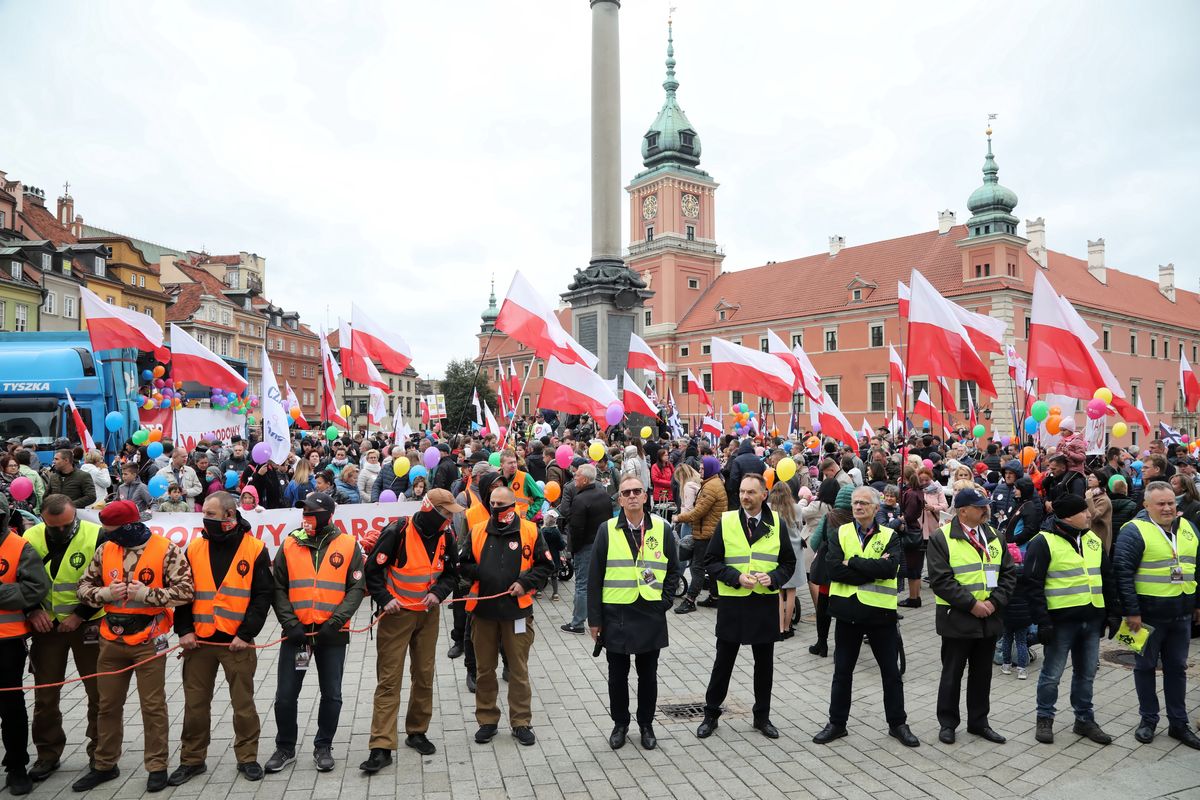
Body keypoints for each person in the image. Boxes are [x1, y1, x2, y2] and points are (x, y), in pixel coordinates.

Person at [73, 499, 194, 793]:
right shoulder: (105, 550)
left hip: (148, 640)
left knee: (152, 706)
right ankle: (104, 764)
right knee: (107, 705)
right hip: (111, 640)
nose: (108, 536)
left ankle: (156, 766)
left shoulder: (166, 549)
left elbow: (186, 591)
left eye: (112, 531)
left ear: (129, 527)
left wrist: (147, 595)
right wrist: (102, 592)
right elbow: (83, 587)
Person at [169, 491, 273, 786]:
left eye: (211, 515)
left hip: (236, 643)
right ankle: (191, 759)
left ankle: (247, 757)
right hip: (199, 642)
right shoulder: (194, 548)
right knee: (195, 704)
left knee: (243, 705)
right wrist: (184, 630)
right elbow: (183, 594)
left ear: (230, 515)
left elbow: (262, 596)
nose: (206, 521)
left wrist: (246, 634)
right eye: (205, 515)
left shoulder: (255, 548)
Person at [359, 489, 462, 772]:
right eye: (447, 513)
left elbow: (453, 573)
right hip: (397, 615)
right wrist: (385, 599)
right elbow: (372, 569)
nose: (451, 519)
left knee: (424, 674)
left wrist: (438, 593)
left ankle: (417, 731)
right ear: (431, 511)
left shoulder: (447, 537)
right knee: (389, 680)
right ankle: (381, 746)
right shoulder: (398, 531)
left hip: (428, 614)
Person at [266, 493, 367, 775]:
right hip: (297, 634)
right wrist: (289, 624)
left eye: (311, 512)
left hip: (331, 635)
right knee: (286, 695)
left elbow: (356, 588)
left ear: (327, 515)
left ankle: (324, 746)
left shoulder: (348, 545)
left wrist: (334, 623)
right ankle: (285, 747)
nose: (306, 517)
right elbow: (278, 587)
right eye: (304, 512)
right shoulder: (289, 543)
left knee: (332, 694)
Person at [814, 486, 917, 748]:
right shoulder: (840, 533)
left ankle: (898, 724)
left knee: (891, 673)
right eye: (855, 503)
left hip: (880, 614)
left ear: (875, 507)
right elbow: (835, 569)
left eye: (863, 503)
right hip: (847, 613)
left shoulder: (890, 535)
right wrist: (872, 568)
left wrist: (854, 563)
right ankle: (837, 724)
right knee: (842, 672)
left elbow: (890, 568)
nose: (858, 507)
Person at [695, 473, 796, 741]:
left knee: (764, 665)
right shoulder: (727, 520)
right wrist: (735, 578)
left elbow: (788, 563)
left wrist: (773, 578)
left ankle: (762, 716)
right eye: (741, 492)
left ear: (764, 494)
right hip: (733, 603)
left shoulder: (776, 522)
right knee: (723, 663)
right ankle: (711, 714)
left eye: (751, 492)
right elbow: (712, 561)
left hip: (763, 604)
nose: (745, 497)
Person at [589, 474, 680, 750]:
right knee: (617, 676)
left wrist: (664, 601)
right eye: (626, 492)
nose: (631, 496)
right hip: (615, 613)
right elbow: (595, 577)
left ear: (645, 496)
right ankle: (620, 724)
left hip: (650, 613)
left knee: (648, 675)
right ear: (619, 499)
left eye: (636, 491)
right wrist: (594, 620)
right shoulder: (606, 530)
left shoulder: (662, 529)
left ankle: (646, 724)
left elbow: (674, 570)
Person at [458, 485, 553, 747]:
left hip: (517, 613)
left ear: (513, 505)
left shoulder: (531, 531)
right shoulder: (478, 530)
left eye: (502, 503)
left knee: (518, 671)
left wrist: (525, 582)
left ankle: (521, 722)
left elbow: (546, 566)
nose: (496, 508)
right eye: (493, 503)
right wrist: (482, 574)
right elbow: (462, 563)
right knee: (485, 670)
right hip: (483, 613)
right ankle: (487, 721)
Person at [1023, 493, 1120, 746]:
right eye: (1084, 511)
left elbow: (1107, 578)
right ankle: (1045, 717)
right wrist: (1042, 621)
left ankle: (1084, 719)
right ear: (1068, 516)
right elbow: (1032, 585)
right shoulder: (1042, 542)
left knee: (1086, 673)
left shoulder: (1092, 540)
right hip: (1060, 622)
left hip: (1092, 619)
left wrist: (1112, 613)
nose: (1089, 515)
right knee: (1051, 675)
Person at [1112, 480, 1200, 749]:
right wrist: (1131, 612)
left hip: (1181, 614)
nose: (1167, 508)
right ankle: (1148, 720)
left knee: (1177, 669)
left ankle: (1178, 723)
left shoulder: (1188, 527)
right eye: (1160, 503)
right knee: (1145, 667)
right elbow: (1122, 573)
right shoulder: (1134, 530)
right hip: (1147, 617)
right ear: (1146, 505)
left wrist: (1197, 604)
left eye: (1171, 502)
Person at [22, 494, 102, 784]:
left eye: (66, 525)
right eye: (53, 526)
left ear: (75, 517)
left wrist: (79, 614)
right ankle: (47, 754)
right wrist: (31, 611)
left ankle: (101, 755)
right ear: (42, 517)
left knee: (99, 693)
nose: (60, 531)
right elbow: (19, 580)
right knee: (45, 695)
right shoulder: (29, 537)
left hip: (88, 623)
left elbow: (105, 579)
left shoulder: (96, 534)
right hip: (45, 629)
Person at [926, 488, 1016, 744]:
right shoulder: (941, 538)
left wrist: (993, 603)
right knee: (952, 673)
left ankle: (979, 722)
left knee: (982, 674)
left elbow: (1008, 574)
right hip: (957, 617)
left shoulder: (995, 536)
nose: (985, 509)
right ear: (963, 511)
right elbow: (941, 580)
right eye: (979, 506)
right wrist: (972, 604)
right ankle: (948, 723)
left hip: (989, 617)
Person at [0, 496, 50, 795]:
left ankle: (17, 765)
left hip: (7, 641)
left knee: (10, 705)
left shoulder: (19, 547)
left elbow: (34, 589)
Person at [562, 464, 613, 634]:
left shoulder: (580, 499)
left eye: (576, 476)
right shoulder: (603, 495)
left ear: (584, 479)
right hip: (602, 544)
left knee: (582, 585)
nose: (574, 478)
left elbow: (576, 529)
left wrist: (574, 550)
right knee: (600, 583)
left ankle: (577, 623)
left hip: (585, 547)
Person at [674, 456, 727, 614]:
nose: (700, 470)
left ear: (711, 469)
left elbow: (698, 512)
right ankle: (715, 597)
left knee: (697, 568)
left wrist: (678, 517)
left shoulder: (711, 487)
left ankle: (690, 600)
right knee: (710, 568)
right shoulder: (713, 483)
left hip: (706, 534)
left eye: (703, 468)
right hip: (711, 532)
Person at [768, 482, 805, 639]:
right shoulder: (795, 508)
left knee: (778, 589)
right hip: (794, 550)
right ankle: (787, 626)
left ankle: (778, 627)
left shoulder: (769, 508)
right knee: (791, 590)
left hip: (776, 550)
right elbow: (800, 527)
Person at [498, 449, 545, 521]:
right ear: (502, 465)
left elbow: (540, 498)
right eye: (510, 463)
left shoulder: (525, 477)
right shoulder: (496, 479)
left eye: (514, 462)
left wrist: (529, 515)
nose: (513, 465)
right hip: (502, 521)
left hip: (521, 521)